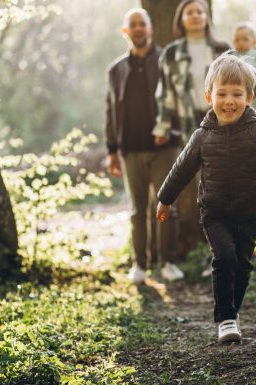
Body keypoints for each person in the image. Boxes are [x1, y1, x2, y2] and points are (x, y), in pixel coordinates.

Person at [156, 53, 256, 342]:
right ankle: (225, 318)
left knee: (242, 265)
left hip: (249, 211)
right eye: (222, 93)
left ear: (249, 97)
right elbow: (181, 169)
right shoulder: (202, 136)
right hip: (214, 213)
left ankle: (233, 310)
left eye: (237, 94)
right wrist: (165, 198)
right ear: (208, 96)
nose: (229, 101)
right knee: (224, 257)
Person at [104, 8, 184, 283]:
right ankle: (140, 265)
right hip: (131, 150)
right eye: (133, 25)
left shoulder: (167, 60)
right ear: (125, 31)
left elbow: (178, 101)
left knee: (167, 206)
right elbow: (110, 111)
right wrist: (112, 150)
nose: (138, 29)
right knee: (138, 211)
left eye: (143, 24)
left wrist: (168, 129)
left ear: (150, 29)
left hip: (166, 148)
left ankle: (168, 263)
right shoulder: (115, 70)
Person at [153, 0, 229, 144]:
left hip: (224, 121)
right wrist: (163, 128)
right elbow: (165, 94)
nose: (195, 16)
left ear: (206, 18)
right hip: (190, 125)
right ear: (181, 20)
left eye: (200, 12)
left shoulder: (222, 49)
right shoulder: (171, 53)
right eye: (189, 13)